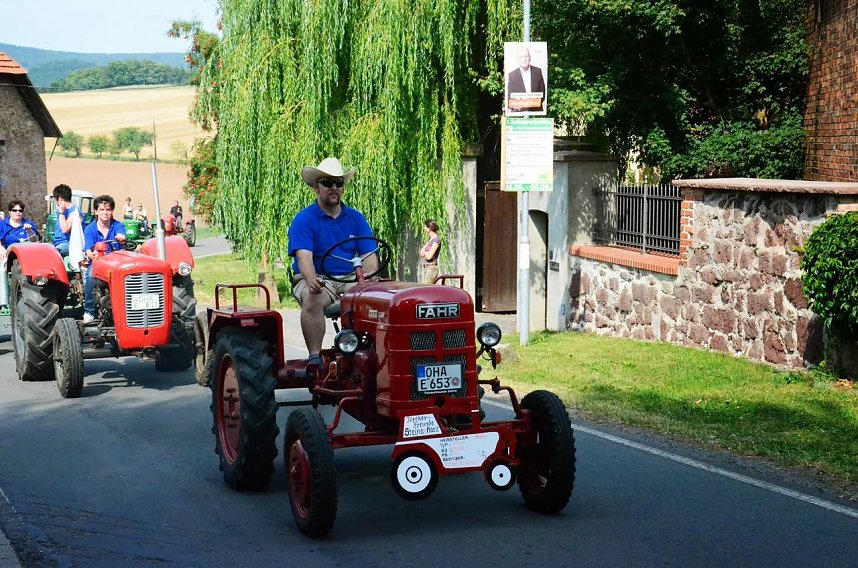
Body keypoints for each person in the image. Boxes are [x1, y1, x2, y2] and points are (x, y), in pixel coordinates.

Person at [288, 157, 378, 366]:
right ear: (316, 188)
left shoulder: (355, 218)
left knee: (382, 299)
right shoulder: (304, 219)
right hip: (319, 278)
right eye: (327, 183)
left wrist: (370, 280)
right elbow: (304, 257)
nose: (334, 188)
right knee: (312, 297)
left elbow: (369, 257)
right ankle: (314, 357)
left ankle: (374, 353)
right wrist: (311, 280)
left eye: (338, 183)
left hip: (350, 278)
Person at [82, 195, 127, 323]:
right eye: (102, 209)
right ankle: (89, 312)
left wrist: (121, 238)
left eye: (108, 209)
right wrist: (91, 254)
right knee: (90, 278)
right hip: (98, 263)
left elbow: (122, 236)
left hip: (116, 263)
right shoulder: (90, 229)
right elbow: (88, 250)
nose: (105, 213)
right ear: (96, 211)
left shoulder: (117, 225)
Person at [506, 46, 545, 112]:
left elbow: (543, 93)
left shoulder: (537, 71)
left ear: (530, 58)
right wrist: (517, 106)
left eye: (526, 56)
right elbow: (510, 97)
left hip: (535, 113)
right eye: (521, 57)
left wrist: (531, 103)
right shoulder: (512, 75)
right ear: (517, 59)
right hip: (519, 114)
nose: (524, 59)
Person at [51, 183, 85, 258]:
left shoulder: (75, 212)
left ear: (60, 199)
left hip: (68, 243)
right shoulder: (63, 211)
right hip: (57, 242)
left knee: (51, 254)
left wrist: (61, 212)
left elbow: (65, 229)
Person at [418, 219, 442, 284]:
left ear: (429, 228)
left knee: (426, 289)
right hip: (427, 268)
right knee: (425, 289)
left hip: (432, 269)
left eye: (425, 226)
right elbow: (421, 253)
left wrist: (426, 253)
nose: (424, 228)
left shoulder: (436, 240)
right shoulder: (430, 239)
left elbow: (429, 256)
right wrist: (426, 253)